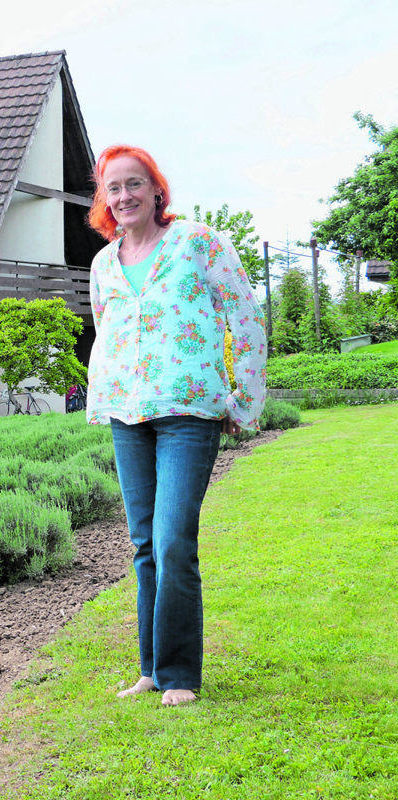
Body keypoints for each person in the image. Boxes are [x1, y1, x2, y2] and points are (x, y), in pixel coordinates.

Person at [85, 145, 267, 706]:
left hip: (189, 412)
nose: (124, 196)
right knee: (143, 544)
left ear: (156, 189)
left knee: (172, 541)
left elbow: (245, 316)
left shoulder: (197, 242)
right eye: (113, 188)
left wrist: (245, 400)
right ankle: (150, 668)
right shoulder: (103, 264)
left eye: (134, 184)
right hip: (127, 413)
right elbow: (105, 330)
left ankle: (181, 673)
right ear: (104, 200)